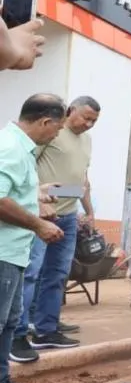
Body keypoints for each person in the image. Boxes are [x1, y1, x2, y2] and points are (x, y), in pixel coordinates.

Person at [10, 96, 100, 362]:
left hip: (68, 215)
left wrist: (88, 210)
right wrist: (38, 201)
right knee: (31, 273)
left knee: (58, 273)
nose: (89, 124)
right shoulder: (50, 133)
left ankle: (46, 329)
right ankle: (18, 333)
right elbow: (30, 166)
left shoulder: (86, 140)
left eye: (94, 121)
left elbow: (82, 179)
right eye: (86, 118)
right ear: (71, 111)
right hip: (38, 214)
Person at [0, 94, 67, 383]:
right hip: (3, 252)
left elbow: (12, 192)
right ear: (45, 121)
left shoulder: (21, 148)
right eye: (57, 128)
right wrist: (38, 224)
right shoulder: (11, 148)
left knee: (9, 323)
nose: (57, 134)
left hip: (14, 252)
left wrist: (36, 198)